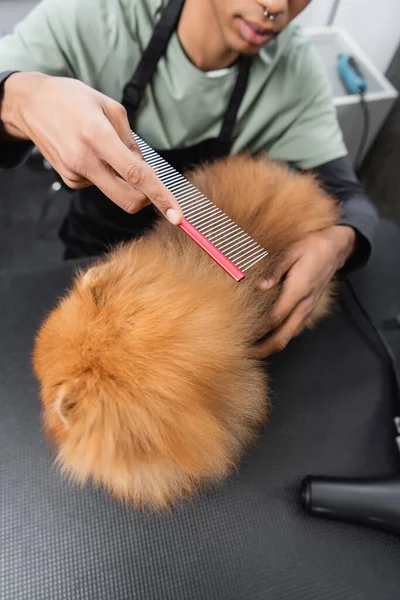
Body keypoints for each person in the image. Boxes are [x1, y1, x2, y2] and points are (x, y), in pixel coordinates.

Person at [0, 0, 378, 356]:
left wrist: (339, 243)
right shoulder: (99, 14)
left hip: (194, 285)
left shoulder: (294, 73)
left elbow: (351, 198)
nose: (277, 6)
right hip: (94, 255)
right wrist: (17, 99)